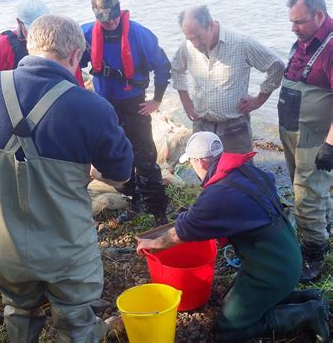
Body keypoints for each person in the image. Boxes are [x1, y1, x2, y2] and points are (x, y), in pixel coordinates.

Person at [0, 14, 133, 341]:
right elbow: (120, 174)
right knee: (77, 321)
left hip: (5, 247)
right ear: (77, 55)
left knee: (18, 310)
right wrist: (87, 170)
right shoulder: (92, 108)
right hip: (67, 250)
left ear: (29, 46)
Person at [136, 132, 329, 343]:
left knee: (227, 331)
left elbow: (180, 234)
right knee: (235, 300)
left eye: (190, 162)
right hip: (287, 253)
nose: (192, 167)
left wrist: (153, 244)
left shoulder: (217, 195)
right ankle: (309, 296)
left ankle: (308, 313)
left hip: (272, 270)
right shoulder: (246, 171)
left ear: (199, 161)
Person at [80, 0, 171, 225]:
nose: (110, 22)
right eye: (104, 17)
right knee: (114, 155)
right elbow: (71, 62)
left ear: (120, 8)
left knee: (145, 155)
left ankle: (158, 208)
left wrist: (157, 99)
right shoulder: (86, 33)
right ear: (94, 12)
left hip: (134, 104)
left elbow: (163, 66)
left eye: (113, 16)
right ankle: (134, 199)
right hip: (104, 106)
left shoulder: (141, 35)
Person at [172, 5, 284, 154]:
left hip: (234, 128)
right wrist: (187, 103)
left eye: (198, 36)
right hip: (202, 126)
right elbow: (176, 69)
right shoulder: (187, 46)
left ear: (211, 25)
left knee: (241, 173)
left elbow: (276, 66)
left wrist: (259, 100)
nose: (195, 44)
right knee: (207, 175)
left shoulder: (241, 42)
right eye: (189, 38)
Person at [278, 0, 332, 283]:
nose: (293, 28)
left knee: (306, 195)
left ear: (319, 15)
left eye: (299, 21)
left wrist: (330, 145)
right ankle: (324, 227)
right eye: (291, 21)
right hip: (293, 133)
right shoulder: (303, 41)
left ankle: (314, 254)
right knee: (312, 190)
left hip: (316, 140)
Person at [0, 0, 49, 73]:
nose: (39, 35)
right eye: (33, 30)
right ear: (19, 23)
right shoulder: (0, 47)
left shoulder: (57, 41)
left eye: (44, 28)